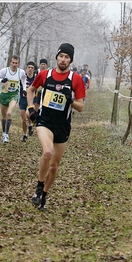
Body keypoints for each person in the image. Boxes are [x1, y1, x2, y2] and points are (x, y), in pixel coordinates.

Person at [26, 43, 86, 211]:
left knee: (54, 167)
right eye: (61, 56)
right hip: (44, 122)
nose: (63, 59)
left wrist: (70, 100)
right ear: (57, 57)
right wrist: (30, 108)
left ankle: (44, 195)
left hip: (63, 126)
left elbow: (81, 107)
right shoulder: (45, 75)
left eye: (67, 57)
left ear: (70, 61)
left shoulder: (76, 79)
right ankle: (38, 187)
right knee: (47, 152)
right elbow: (30, 90)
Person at [0, 55, 26, 143]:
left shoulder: (21, 72)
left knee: (9, 113)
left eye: (16, 63)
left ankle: (6, 135)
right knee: (3, 116)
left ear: (19, 63)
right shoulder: (5, 71)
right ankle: (3, 133)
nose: (14, 64)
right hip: (4, 95)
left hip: (14, 95)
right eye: (13, 62)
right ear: (10, 62)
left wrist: (24, 89)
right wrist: (1, 80)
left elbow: (23, 80)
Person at [19, 61, 36, 142]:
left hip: (32, 99)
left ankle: (30, 125)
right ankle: (25, 134)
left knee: (28, 114)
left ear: (34, 69)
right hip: (23, 99)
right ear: (26, 69)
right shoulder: (22, 78)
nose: (30, 69)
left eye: (32, 68)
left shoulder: (36, 78)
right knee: (23, 119)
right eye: (29, 67)